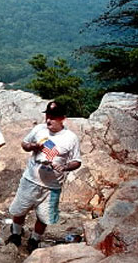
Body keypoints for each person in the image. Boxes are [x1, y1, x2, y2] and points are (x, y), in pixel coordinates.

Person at [6, 101, 81, 253]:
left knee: (44, 216)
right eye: (47, 115)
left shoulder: (70, 138)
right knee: (20, 210)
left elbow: (77, 161)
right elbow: (24, 144)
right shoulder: (39, 129)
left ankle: (34, 239)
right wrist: (33, 147)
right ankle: (16, 234)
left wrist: (65, 167)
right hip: (30, 180)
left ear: (62, 119)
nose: (48, 120)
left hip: (52, 186)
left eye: (53, 117)